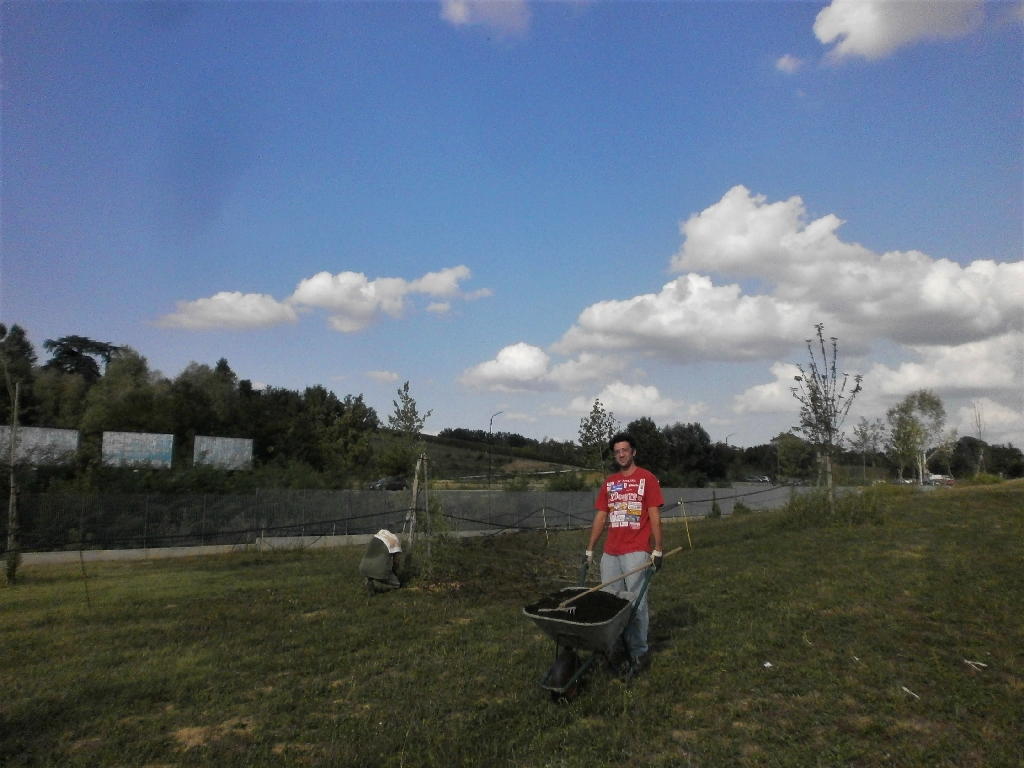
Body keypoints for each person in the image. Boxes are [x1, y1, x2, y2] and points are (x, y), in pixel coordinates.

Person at [586, 432, 664, 673]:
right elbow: (601, 516)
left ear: (633, 452)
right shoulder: (610, 483)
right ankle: (618, 648)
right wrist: (590, 549)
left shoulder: (647, 479)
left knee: (636, 604)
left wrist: (658, 549)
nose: (621, 455)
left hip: (636, 551)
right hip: (611, 552)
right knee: (610, 605)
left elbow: (654, 515)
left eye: (625, 450)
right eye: (617, 452)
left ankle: (639, 651)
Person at [360, 529, 403, 594]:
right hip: (379, 569)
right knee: (396, 584)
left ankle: (369, 581)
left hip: (363, 567)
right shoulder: (395, 540)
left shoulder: (376, 536)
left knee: (372, 573)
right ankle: (376, 585)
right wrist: (394, 572)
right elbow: (396, 562)